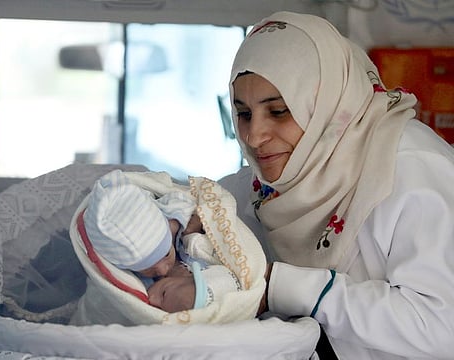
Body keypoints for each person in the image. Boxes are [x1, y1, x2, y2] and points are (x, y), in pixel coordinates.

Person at [157, 11, 454, 359]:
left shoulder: (413, 171)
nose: (255, 136)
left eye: (279, 111)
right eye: (243, 113)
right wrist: (178, 217)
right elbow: (221, 199)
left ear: (328, 103)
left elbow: (439, 325)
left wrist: (276, 287)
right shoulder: (286, 174)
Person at [80, 169, 241, 313]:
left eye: (165, 254)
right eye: (149, 269)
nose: (163, 270)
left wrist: (194, 223)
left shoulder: (172, 224)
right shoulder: (138, 281)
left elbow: (194, 202)